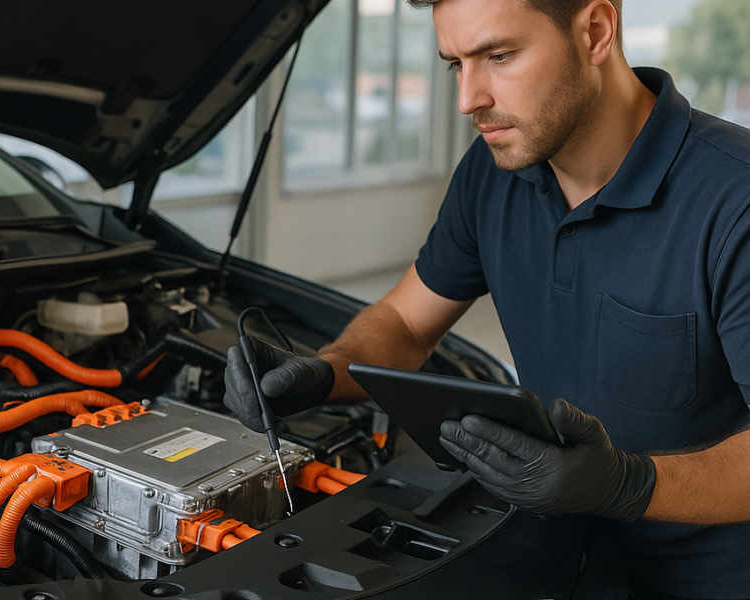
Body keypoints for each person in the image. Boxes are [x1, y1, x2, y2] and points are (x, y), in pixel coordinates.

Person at [224, 0, 750, 598]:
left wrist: (629, 485)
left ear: (596, 32)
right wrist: (323, 371)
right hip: (557, 560)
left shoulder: (736, 201)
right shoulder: (493, 170)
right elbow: (407, 321)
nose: (468, 99)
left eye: (499, 56)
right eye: (455, 64)